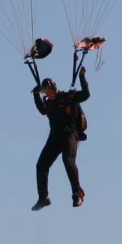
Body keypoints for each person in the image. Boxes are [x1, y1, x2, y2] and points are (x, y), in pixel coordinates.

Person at [31, 66, 90, 210]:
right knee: (41, 165)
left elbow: (86, 95)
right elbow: (42, 110)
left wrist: (82, 77)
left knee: (68, 160)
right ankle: (43, 198)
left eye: (48, 91)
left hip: (70, 134)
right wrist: (36, 95)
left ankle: (77, 194)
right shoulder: (49, 102)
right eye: (44, 92)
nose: (47, 94)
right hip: (55, 137)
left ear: (53, 88)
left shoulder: (68, 97)